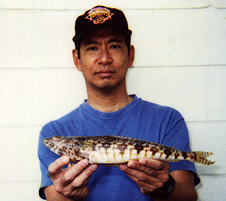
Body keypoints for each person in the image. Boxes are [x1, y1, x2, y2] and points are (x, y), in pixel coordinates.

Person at [38, 5, 200, 201]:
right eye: (92, 48)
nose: (104, 58)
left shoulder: (168, 120)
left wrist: (164, 188)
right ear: (77, 59)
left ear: (130, 55)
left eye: (114, 46)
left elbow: (189, 197)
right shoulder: (53, 132)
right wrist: (71, 197)